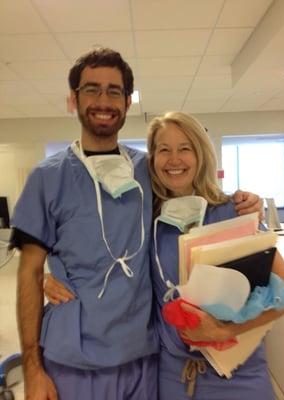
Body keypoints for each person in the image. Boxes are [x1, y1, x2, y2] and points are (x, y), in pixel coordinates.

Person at [11, 48, 263, 400]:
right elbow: (28, 273)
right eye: (91, 89)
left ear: (128, 102)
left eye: (114, 91)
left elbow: (195, 193)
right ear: (73, 99)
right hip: (74, 360)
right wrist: (33, 370)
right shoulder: (46, 178)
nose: (103, 100)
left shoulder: (149, 170)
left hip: (142, 360)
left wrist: (246, 201)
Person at [146, 112, 284, 399]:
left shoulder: (235, 212)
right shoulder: (148, 222)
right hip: (174, 378)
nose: (174, 159)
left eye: (185, 148)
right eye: (163, 150)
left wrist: (223, 331)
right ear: (152, 159)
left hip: (238, 378)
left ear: (201, 154)